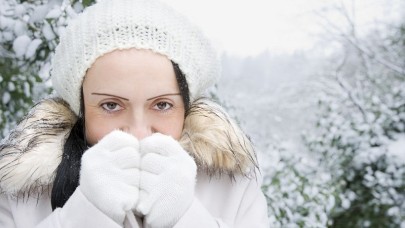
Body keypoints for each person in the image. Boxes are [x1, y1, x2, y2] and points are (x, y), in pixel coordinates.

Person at [0, 0, 269, 227]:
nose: (139, 132)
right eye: (111, 105)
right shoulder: (23, 192)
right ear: (80, 108)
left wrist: (185, 217)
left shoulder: (232, 185)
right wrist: (86, 213)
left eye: (162, 105)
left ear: (186, 107)